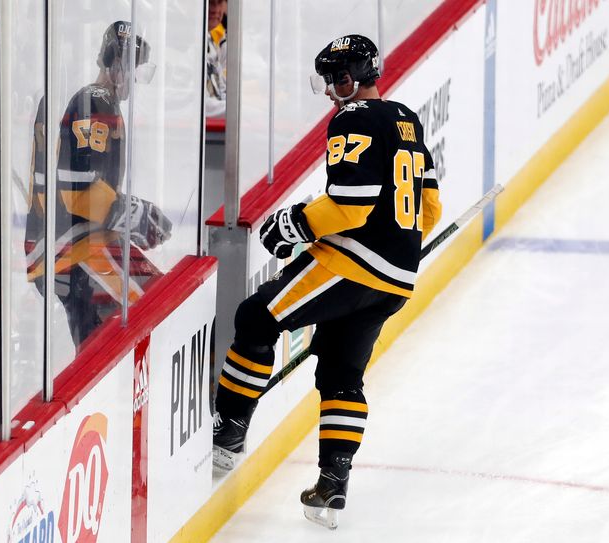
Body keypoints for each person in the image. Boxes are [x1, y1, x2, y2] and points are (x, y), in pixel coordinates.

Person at [212, 34, 443, 529]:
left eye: (332, 81)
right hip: (398, 277)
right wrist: (396, 249)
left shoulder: (352, 118)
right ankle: (331, 486)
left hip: (354, 263)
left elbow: (351, 206)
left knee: (256, 316)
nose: (328, 93)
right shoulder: (407, 120)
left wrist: (293, 224)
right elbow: (430, 207)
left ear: (349, 78)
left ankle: (228, 432)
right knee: (341, 375)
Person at [25, 21, 171, 349]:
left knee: (146, 306)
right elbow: (79, 194)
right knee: (156, 306)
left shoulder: (87, 99)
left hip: (72, 241)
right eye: (131, 70)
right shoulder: (96, 101)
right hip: (71, 248)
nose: (133, 80)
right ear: (116, 67)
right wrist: (137, 215)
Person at [205, 0, 227, 117]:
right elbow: (201, 106)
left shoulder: (209, 41)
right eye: (210, 3)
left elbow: (221, 89)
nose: (215, 10)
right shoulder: (184, 44)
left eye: (219, 3)